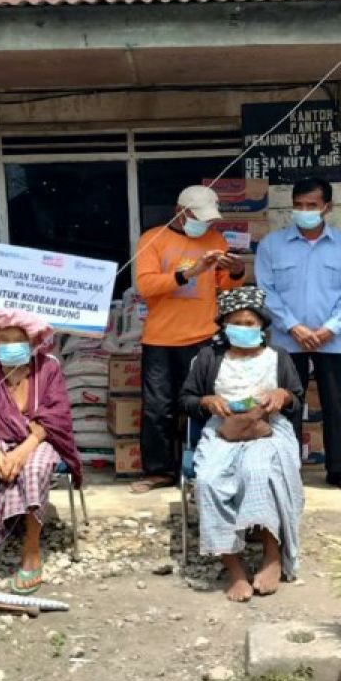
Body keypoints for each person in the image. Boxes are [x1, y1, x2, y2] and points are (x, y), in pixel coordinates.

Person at [179, 287, 305, 602]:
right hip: (223, 430)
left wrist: (283, 396)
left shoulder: (279, 357)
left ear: (262, 326)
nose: (244, 328)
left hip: (269, 428)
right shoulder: (209, 357)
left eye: (250, 323)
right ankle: (233, 568)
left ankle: (272, 556)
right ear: (223, 325)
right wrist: (207, 401)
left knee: (260, 472)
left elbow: (297, 398)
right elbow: (186, 399)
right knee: (209, 480)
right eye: (236, 322)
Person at [0, 310, 81, 596]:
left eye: (17, 340)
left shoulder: (48, 369)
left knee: (33, 471)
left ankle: (31, 550)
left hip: (37, 441)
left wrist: (21, 453)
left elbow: (55, 418)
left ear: (31, 341)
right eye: (3, 339)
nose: (9, 345)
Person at [255, 178, 341, 496]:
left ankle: (337, 470)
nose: (304, 211)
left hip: (335, 339)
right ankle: (288, 471)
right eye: (299, 205)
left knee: (335, 405)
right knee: (288, 404)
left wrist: (330, 328)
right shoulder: (272, 245)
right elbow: (267, 291)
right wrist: (293, 326)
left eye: (312, 206)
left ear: (327, 208)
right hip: (288, 339)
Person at [131, 185, 245, 494]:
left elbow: (226, 288)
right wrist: (189, 272)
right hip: (161, 338)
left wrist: (236, 271)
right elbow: (146, 286)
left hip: (203, 337)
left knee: (205, 405)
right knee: (158, 408)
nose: (205, 224)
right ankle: (159, 472)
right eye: (199, 218)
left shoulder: (216, 240)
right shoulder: (153, 239)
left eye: (209, 219)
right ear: (180, 213)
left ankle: (206, 468)